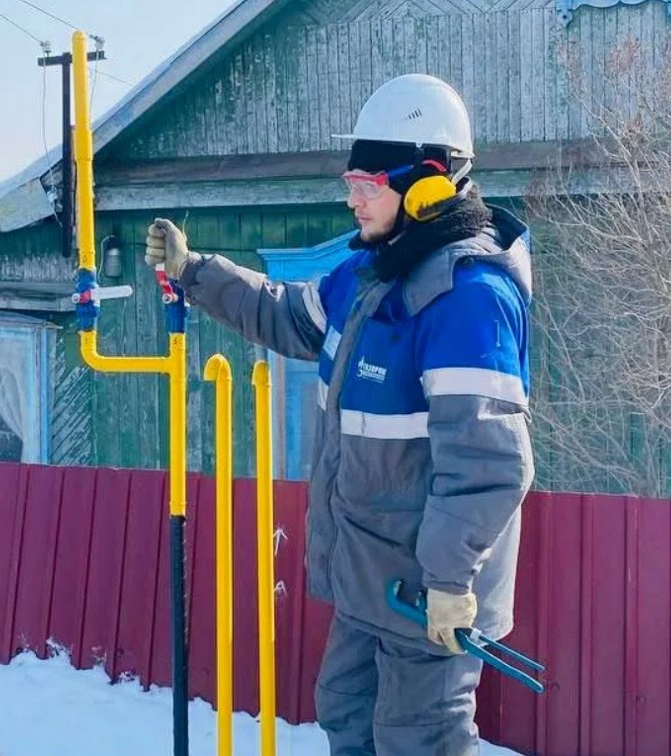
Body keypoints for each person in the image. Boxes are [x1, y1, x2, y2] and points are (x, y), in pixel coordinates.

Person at [145, 73, 534, 755]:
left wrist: (448, 582)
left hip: (427, 593)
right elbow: (287, 315)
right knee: (347, 715)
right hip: (367, 577)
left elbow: (488, 464)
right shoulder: (366, 275)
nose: (351, 199)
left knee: (419, 740)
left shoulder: (467, 295)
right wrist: (195, 271)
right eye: (350, 181)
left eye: (367, 184)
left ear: (429, 182)